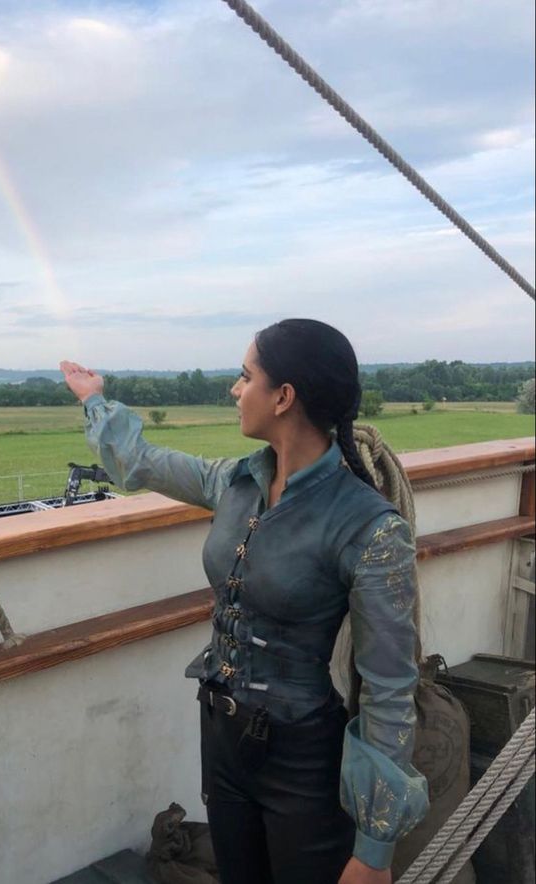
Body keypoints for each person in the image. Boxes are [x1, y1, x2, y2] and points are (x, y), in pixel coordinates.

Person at [60, 319, 429, 884]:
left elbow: (388, 687)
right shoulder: (234, 482)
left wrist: (375, 849)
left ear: (283, 397)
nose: (235, 390)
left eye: (244, 375)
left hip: (302, 762)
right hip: (224, 740)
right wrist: (96, 400)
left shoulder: (371, 528)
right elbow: (142, 461)